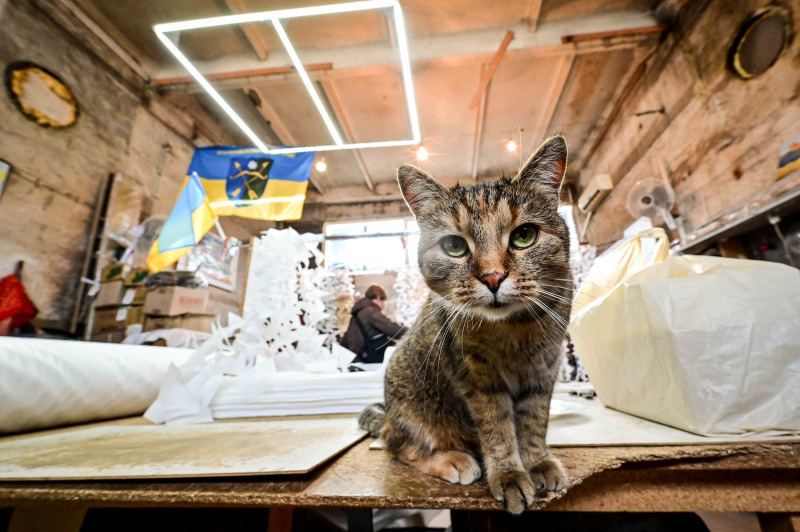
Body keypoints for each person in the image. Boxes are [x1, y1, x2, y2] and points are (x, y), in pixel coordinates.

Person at [340, 285, 408, 363]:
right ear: (378, 298)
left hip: (357, 355)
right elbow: (390, 327)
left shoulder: (360, 310)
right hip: (365, 356)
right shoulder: (369, 311)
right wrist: (411, 332)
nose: (383, 305)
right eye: (383, 301)